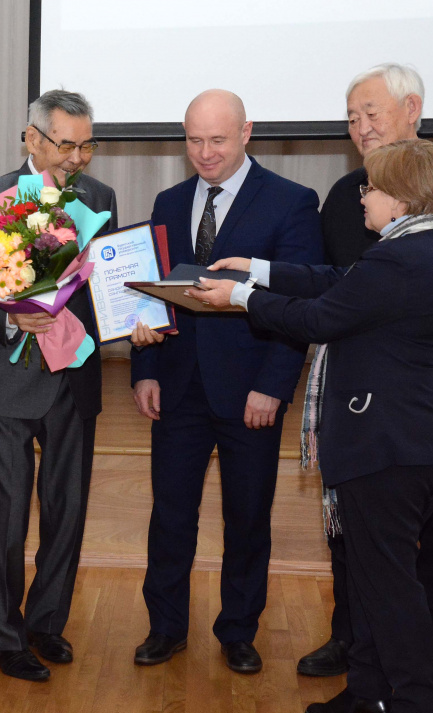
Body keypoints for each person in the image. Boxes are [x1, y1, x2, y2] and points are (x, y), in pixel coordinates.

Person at [191, 138, 433, 713]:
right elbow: (339, 281)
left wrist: (240, 296)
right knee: (371, 577)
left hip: (392, 446)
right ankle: (370, 692)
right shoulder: (422, 247)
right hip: (415, 440)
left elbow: (320, 318)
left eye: (372, 187)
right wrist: (258, 269)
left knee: (389, 584)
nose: (362, 197)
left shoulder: (403, 259)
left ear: (401, 198)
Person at [296, 64, 433, 689]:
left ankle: (430, 655)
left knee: (431, 530)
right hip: (353, 391)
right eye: (351, 117)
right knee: (353, 525)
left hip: (426, 388)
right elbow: (333, 283)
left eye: (371, 112)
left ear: (412, 109)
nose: (360, 127)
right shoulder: (344, 194)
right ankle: (356, 642)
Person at [129, 90, 323, 674]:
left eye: (217, 139)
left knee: (247, 518)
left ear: (246, 133)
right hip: (178, 387)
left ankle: (238, 630)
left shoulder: (292, 202)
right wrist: (145, 368)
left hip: (251, 392)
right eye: (194, 140)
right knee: (170, 516)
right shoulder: (168, 201)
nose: (205, 153)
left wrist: (275, 386)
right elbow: (151, 292)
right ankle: (165, 627)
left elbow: (296, 304)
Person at [0, 89, 117, 682]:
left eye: (86, 147)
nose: (76, 158)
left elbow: (103, 286)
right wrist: (11, 321)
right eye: (66, 145)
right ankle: (3, 638)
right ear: (32, 137)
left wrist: (134, 316)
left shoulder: (99, 198)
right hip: (8, 381)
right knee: (5, 515)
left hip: (75, 377)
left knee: (67, 510)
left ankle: (46, 623)